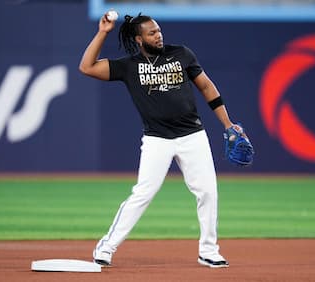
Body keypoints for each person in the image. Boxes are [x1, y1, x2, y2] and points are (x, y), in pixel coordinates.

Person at [79, 11, 236, 268]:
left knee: (208, 191)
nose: (158, 35)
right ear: (139, 39)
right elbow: (86, 67)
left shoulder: (181, 54)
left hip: (193, 134)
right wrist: (103, 32)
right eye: (152, 33)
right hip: (157, 139)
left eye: (159, 30)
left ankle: (209, 250)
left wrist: (228, 124)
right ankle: (106, 247)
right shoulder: (129, 66)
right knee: (143, 193)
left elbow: (207, 87)